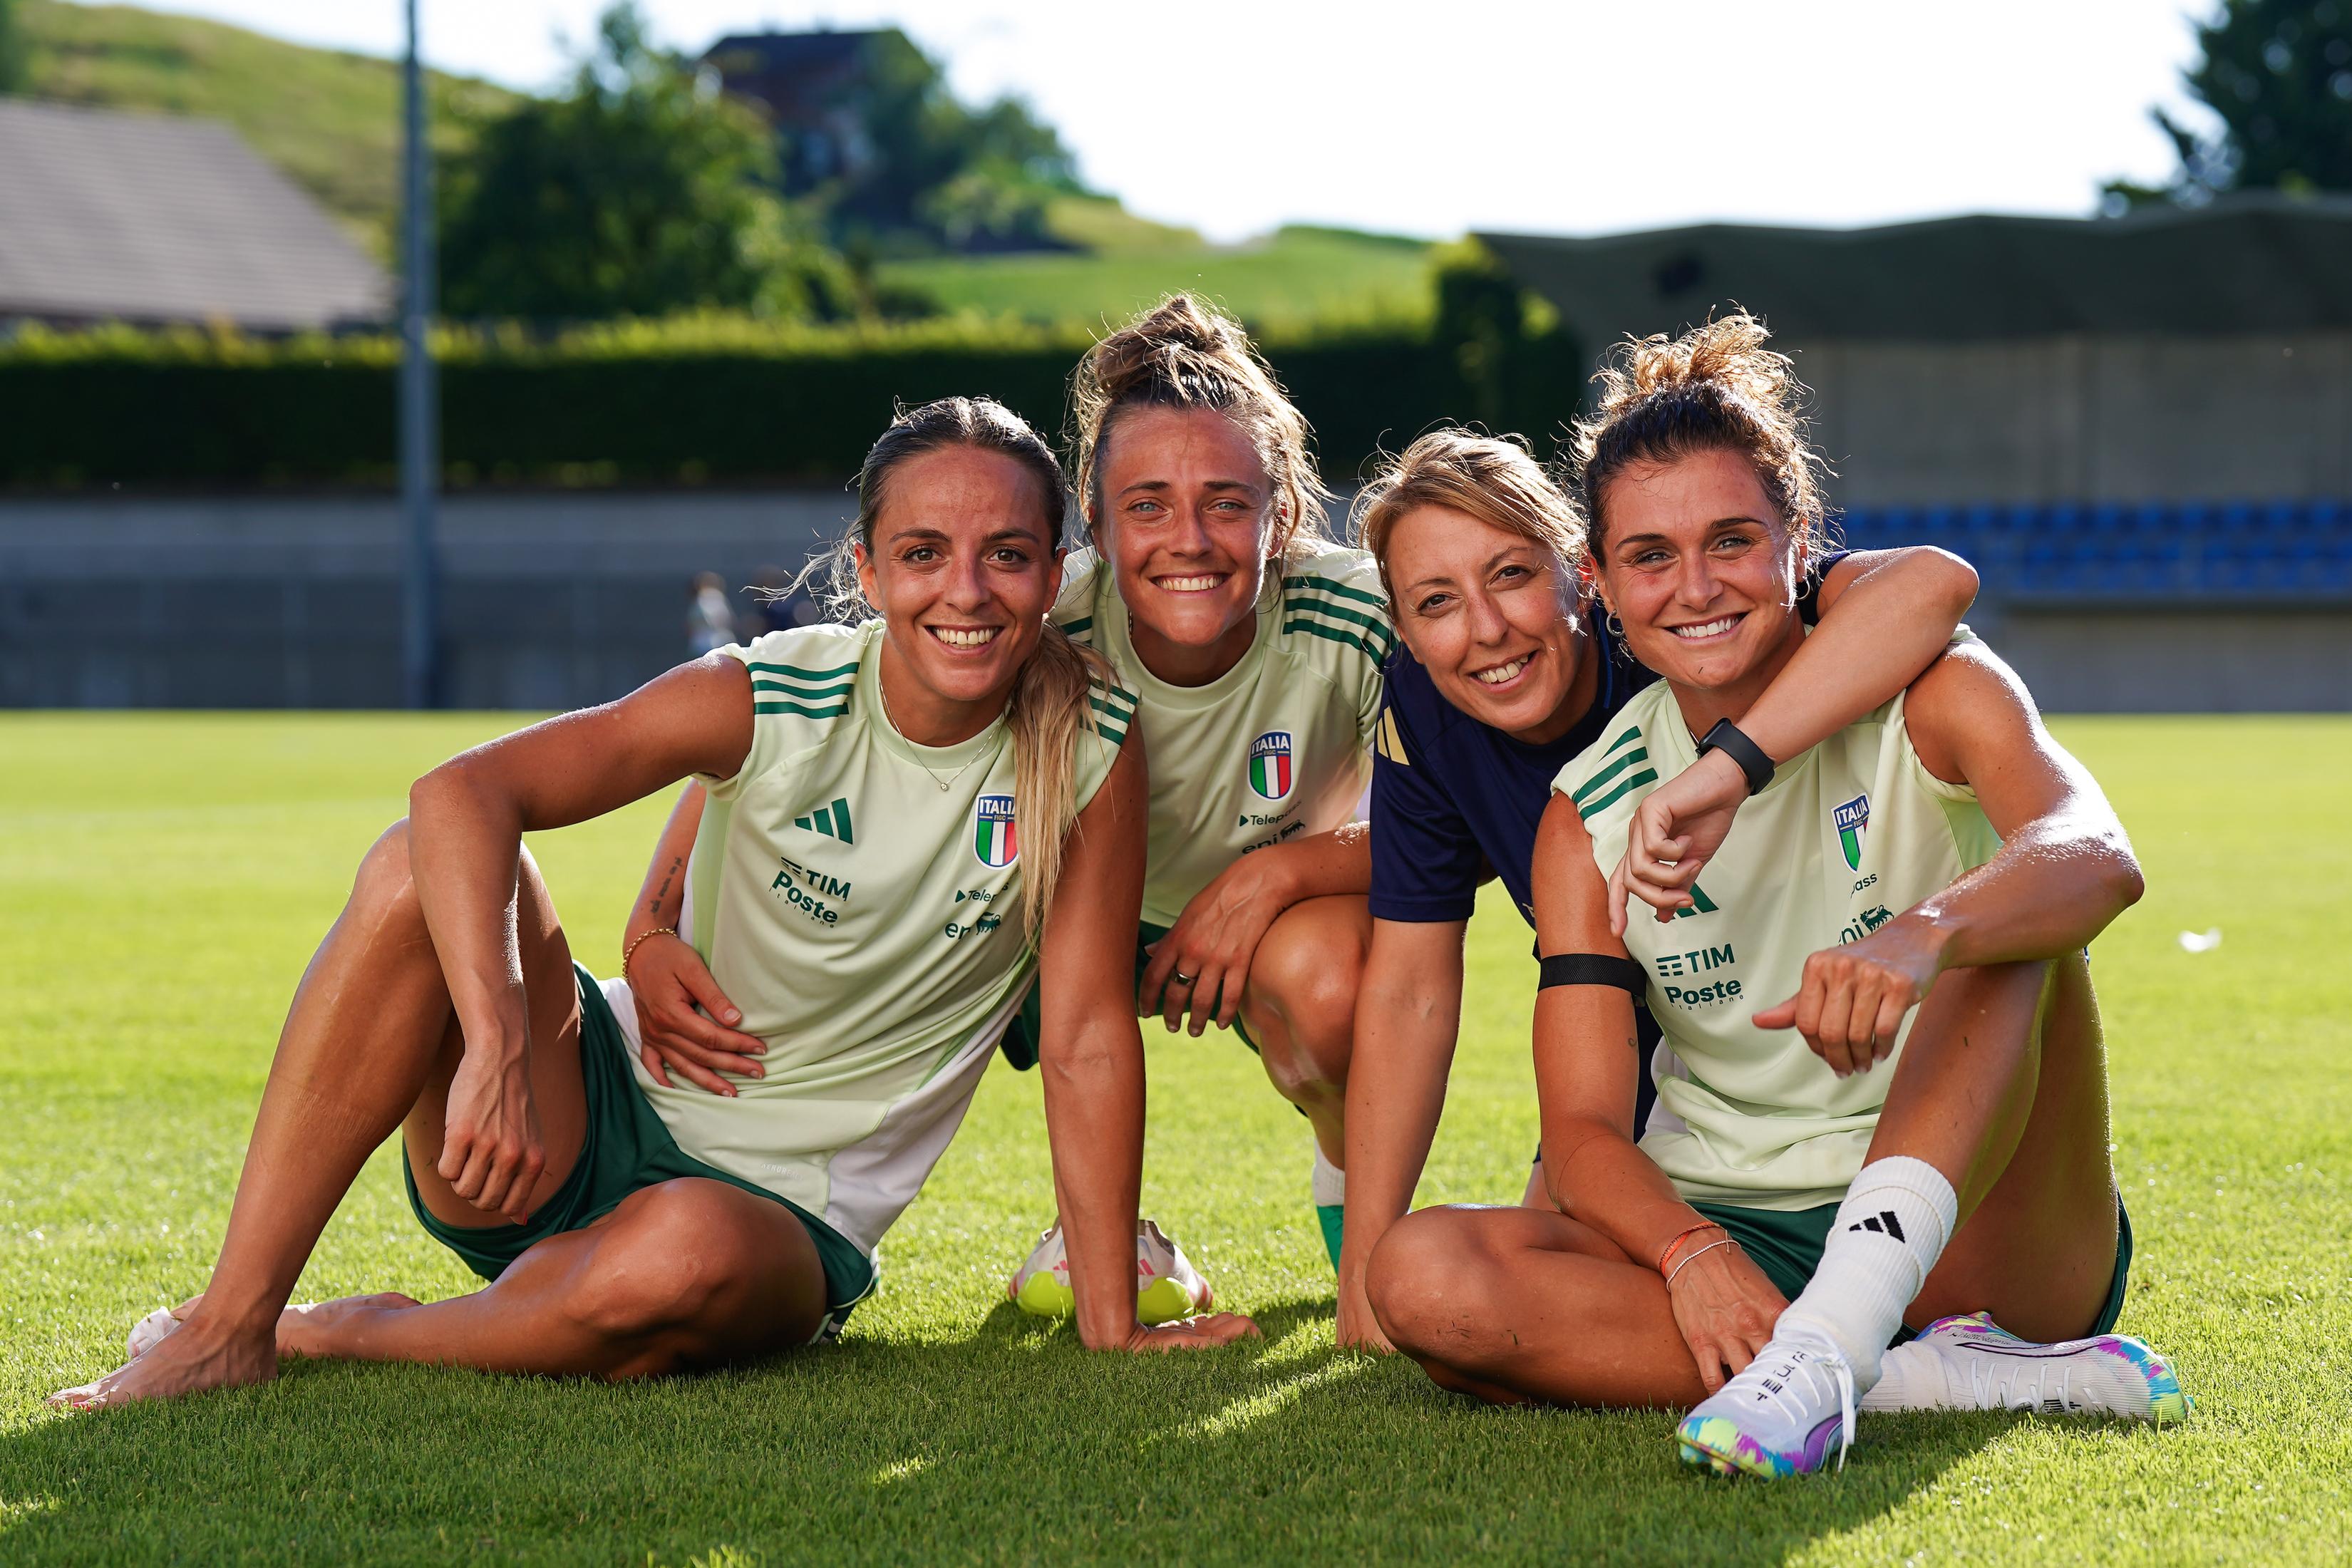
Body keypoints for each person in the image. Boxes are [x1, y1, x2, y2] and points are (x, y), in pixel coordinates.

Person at [51, 397, 1257, 1412]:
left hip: (768, 1223)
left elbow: (1089, 1033)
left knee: (677, 1255)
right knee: (415, 865)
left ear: (1055, 573)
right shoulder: (766, 693)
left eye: (1007, 552)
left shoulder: (1090, 742)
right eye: (926, 551)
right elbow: (462, 792)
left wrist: (1112, 1323)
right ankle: (230, 1320)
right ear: (871, 568)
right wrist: (499, 1041)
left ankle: (334, 1332)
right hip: (557, 1125)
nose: (968, 589)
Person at [1361, 317, 2189, 1476]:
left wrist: (1923, 936)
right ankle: (1894, 1372)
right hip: (1740, 1222)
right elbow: (1588, 1131)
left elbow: (2095, 853)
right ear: (1599, 583)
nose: (1695, 588)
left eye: (1734, 542)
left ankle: (1842, 1331)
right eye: (1650, 557)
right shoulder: (1583, 815)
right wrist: (1693, 1256)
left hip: (1980, 1227)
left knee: (2005, 932)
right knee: (1423, 1280)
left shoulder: (1933, 692)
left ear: (1801, 543)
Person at [625, 297, 1389, 1300]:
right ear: (1097, 522)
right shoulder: (1030, 610)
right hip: (1044, 917)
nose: (1188, 538)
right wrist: (648, 926)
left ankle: (1364, 1237)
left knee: (1337, 982)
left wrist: (1278, 874)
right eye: (1149, 504)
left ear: (1283, 512)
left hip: (1258, 928)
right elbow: (783, 720)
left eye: (1228, 503)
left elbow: (1467, 811)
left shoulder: (1360, 613)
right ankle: (1092, 1241)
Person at [1336, 426, 1983, 1349]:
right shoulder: (1433, 708)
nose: (1486, 629)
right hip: (1656, 1059)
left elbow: (1930, 584)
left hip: (1868, 1066)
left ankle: (1866, 1296)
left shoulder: (1686, 622)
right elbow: (1410, 988)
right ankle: (1887, 1366)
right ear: (1402, 628)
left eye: (1513, 575)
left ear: (1576, 572)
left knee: (1993, 941)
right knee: (1452, 1278)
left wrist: (1724, 766)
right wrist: (1365, 1281)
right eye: (1437, 601)